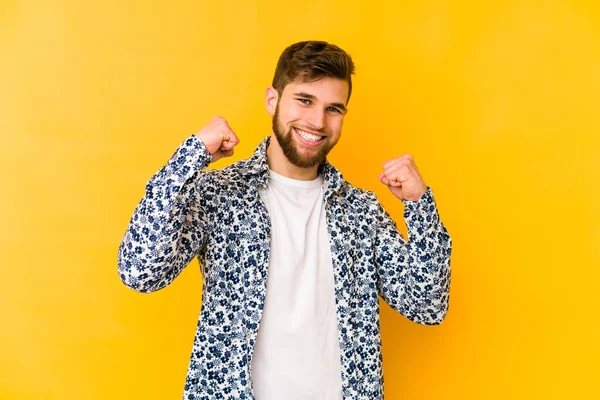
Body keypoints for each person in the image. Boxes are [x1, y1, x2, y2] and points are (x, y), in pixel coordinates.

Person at [118, 40, 452, 400]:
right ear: (272, 100)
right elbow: (140, 271)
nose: (317, 121)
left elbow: (427, 305)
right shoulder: (220, 194)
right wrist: (190, 156)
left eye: (334, 109)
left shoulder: (361, 211)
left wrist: (419, 205)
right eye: (305, 100)